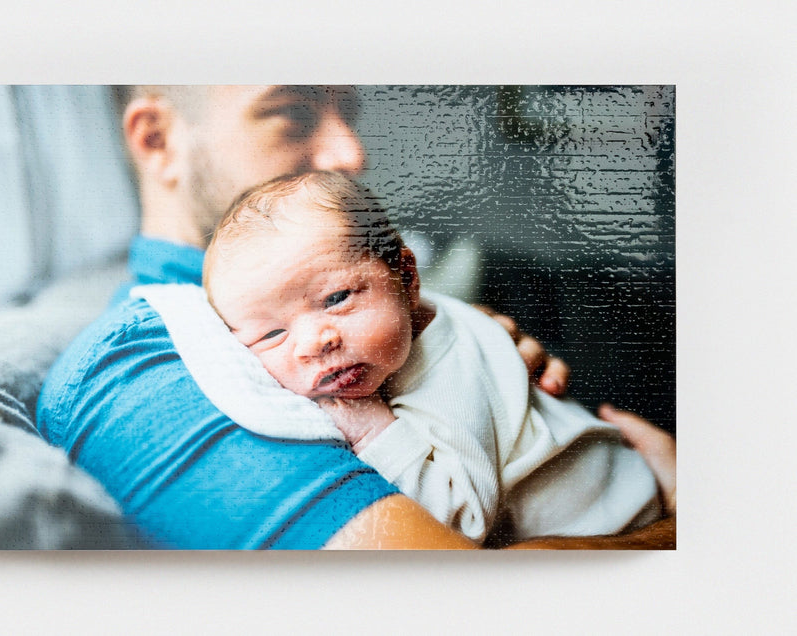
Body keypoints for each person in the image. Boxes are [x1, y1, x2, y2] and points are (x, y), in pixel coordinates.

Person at [36, 85, 675, 549]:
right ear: (157, 139)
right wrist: (686, 531)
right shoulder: (138, 368)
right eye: (292, 111)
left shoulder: (394, 304)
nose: (352, 151)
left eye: (349, 112)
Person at [139, 170, 660, 542]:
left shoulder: (449, 366)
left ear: (407, 278)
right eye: (271, 335)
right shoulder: (388, 340)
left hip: (626, 517)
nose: (314, 341)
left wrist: (373, 430)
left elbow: (461, 525)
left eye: (337, 298)